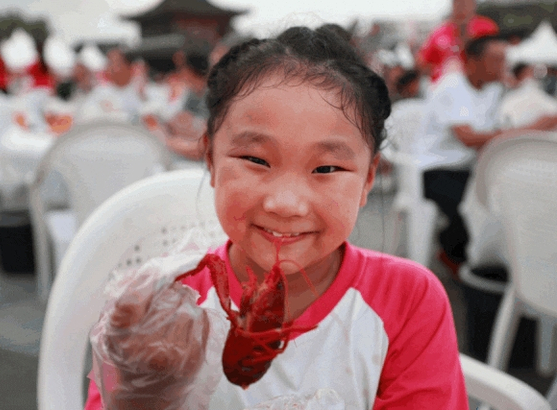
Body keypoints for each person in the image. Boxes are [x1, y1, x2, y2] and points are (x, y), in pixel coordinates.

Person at [85, 26, 468, 409]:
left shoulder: (409, 300)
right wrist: (138, 387)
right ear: (210, 160)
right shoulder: (166, 302)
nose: (286, 204)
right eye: (255, 160)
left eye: (328, 168)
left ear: (368, 178)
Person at [419, 35, 557, 274]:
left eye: (505, 59)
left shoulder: (493, 89)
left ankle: (505, 260)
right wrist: (533, 128)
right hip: (438, 170)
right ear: (472, 61)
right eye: (496, 60)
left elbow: (497, 127)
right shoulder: (452, 87)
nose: (503, 66)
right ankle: (458, 257)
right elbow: (469, 138)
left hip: (472, 167)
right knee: (478, 202)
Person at [417, 0, 499, 84]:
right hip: (445, 87)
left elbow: (496, 59)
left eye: (466, 2)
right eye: (457, 2)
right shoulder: (438, 32)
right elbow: (423, 63)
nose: (462, 5)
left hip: (479, 87)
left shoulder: (486, 28)